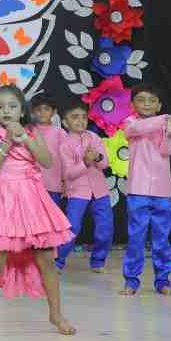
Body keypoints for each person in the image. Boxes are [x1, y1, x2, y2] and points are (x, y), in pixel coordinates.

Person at [0, 85, 75, 336]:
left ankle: (56, 313)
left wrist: (26, 139)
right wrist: (8, 141)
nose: (6, 111)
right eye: (0, 107)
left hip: (32, 199)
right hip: (4, 200)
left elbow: (47, 161)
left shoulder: (32, 132)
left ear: (22, 111)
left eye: (12, 106)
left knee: (46, 258)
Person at [119, 84, 171, 296]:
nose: (147, 104)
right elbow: (139, 129)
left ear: (159, 104)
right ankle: (131, 281)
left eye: (152, 101)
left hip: (162, 191)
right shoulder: (130, 123)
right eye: (141, 100)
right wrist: (168, 119)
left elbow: (166, 150)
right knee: (136, 238)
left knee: (162, 239)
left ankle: (163, 280)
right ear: (132, 105)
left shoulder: (165, 126)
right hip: (138, 190)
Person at [54, 103, 112, 273]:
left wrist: (97, 157)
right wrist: (85, 162)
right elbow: (69, 174)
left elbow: (105, 164)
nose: (80, 121)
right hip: (78, 193)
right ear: (65, 123)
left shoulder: (94, 138)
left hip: (100, 192)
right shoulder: (65, 145)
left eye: (83, 117)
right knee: (73, 227)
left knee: (105, 228)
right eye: (75, 117)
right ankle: (58, 261)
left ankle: (98, 261)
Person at [29, 95, 66, 210]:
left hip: (53, 185)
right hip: (31, 185)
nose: (42, 113)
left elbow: (66, 159)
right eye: (38, 109)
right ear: (32, 112)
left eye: (46, 109)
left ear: (54, 112)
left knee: (52, 217)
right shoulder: (27, 132)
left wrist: (65, 181)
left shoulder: (60, 133)